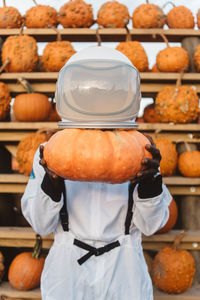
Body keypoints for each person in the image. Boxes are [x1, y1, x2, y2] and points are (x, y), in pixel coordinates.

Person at [21, 46, 172, 300]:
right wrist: (52, 182)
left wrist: (150, 187)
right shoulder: (51, 151)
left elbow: (151, 225)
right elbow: (40, 223)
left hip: (124, 270)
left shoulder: (138, 150)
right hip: (68, 270)